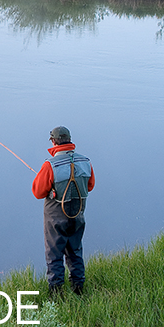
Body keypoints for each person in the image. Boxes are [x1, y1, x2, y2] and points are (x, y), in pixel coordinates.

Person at [31, 126, 94, 296]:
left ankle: (56, 293)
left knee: (54, 252)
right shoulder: (85, 161)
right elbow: (90, 186)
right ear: (69, 140)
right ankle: (78, 289)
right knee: (75, 250)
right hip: (78, 213)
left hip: (55, 216)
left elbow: (38, 192)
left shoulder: (49, 165)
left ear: (53, 141)